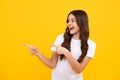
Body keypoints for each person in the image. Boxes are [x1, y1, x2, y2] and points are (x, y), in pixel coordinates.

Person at [24, 10, 96, 80]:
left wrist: (66, 52)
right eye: (68, 21)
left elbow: (79, 69)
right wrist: (38, 53)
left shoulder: (91, 44)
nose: (69, 23)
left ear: (81, 22)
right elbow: (52, 64)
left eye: (72, 20)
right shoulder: (61, 38)